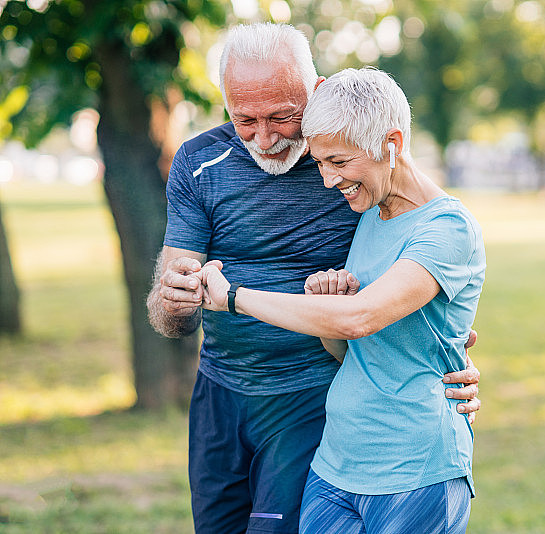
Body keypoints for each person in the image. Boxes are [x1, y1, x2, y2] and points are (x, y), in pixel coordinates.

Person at [146, 23, 481, 534]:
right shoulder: (200, 162)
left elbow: (427, 269)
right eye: (245, 120)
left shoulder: (359, 172)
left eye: (283, 116)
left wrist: (450, 357)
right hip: (220, 394)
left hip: (312, 401)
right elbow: (170, 317)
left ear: (317, 89)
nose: (265, 137)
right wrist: (175, 299)